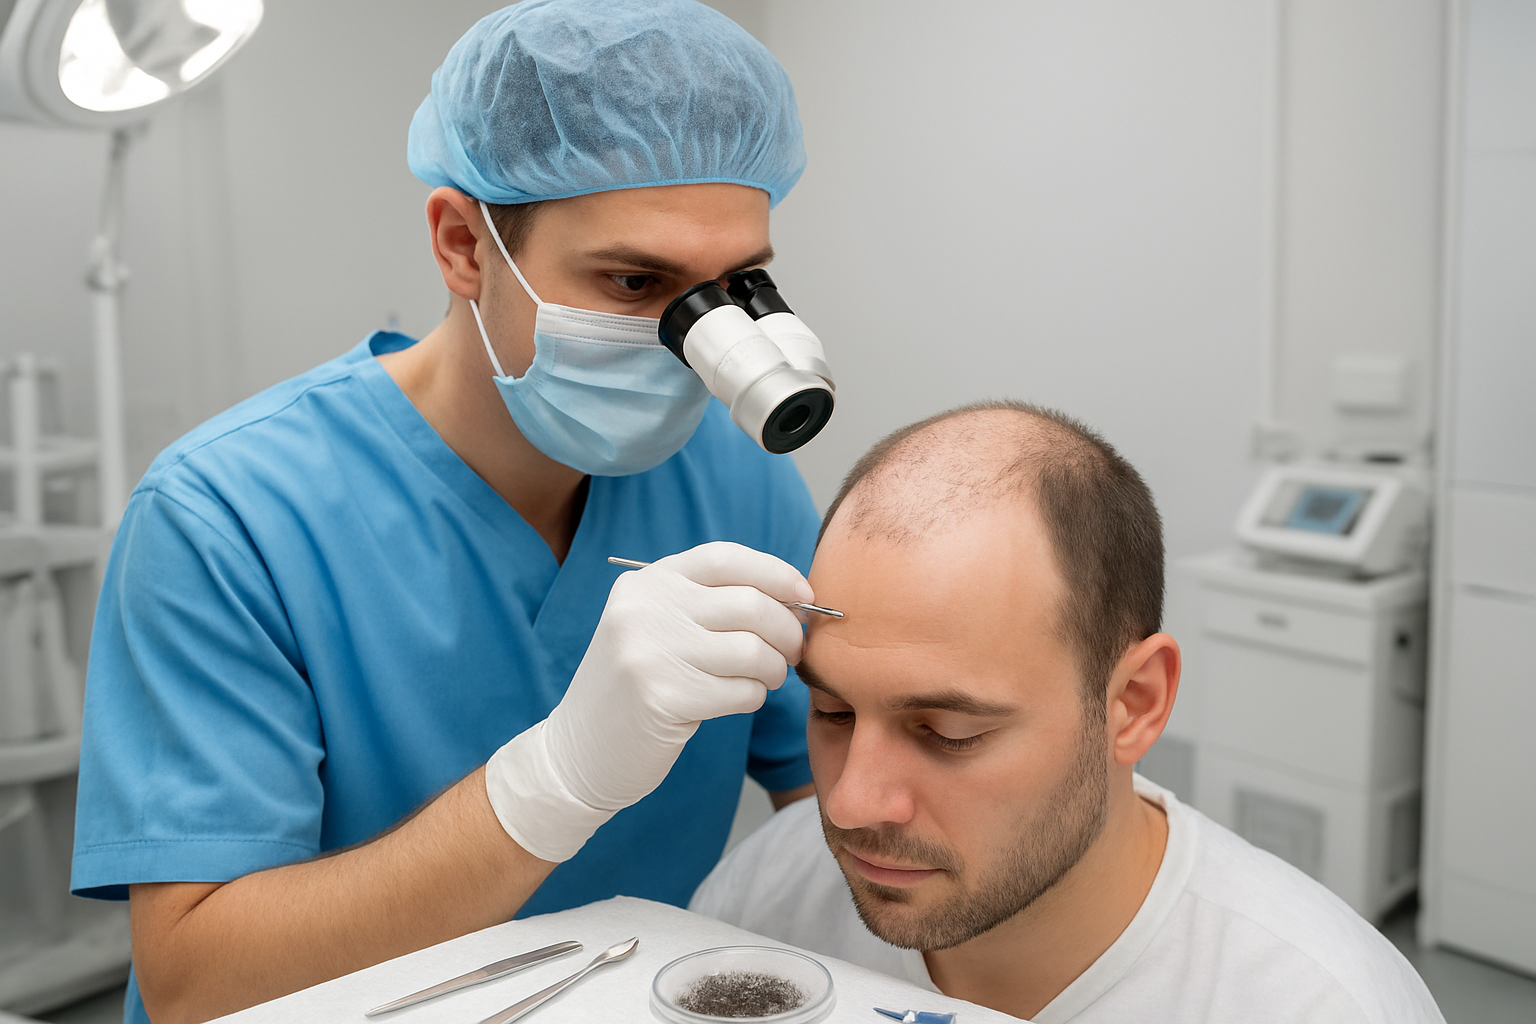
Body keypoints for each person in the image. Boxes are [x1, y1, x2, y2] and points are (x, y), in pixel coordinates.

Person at [70, 3, 825, 1022]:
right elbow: (195, 983)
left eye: (737, 285)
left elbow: (844, 795)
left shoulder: (736, 477)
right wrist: (549, 784)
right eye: (634, 280)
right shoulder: (226, 517)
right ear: (463, 244)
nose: (697, 339)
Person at [691, 401, 1445, 1024]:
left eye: (948, 733)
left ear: (1134, 705)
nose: (850, 804)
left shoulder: (1314, 1001)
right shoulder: (763, 899)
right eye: (832, 711)